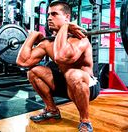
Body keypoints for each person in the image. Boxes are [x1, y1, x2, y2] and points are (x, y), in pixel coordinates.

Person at [16, 1, 100, 132]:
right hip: (66, 85)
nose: (49, 17)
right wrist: (31, 37)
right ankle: (52, 110)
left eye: (54, 14)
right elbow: (23, 62)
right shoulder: (48, 43)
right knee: (33, 72)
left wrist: (65, 27)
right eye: (49, 14)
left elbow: (61, 56)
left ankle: (85, 120)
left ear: (67, 17)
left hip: (87, 87)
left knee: (73, 74)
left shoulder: (80, 39)